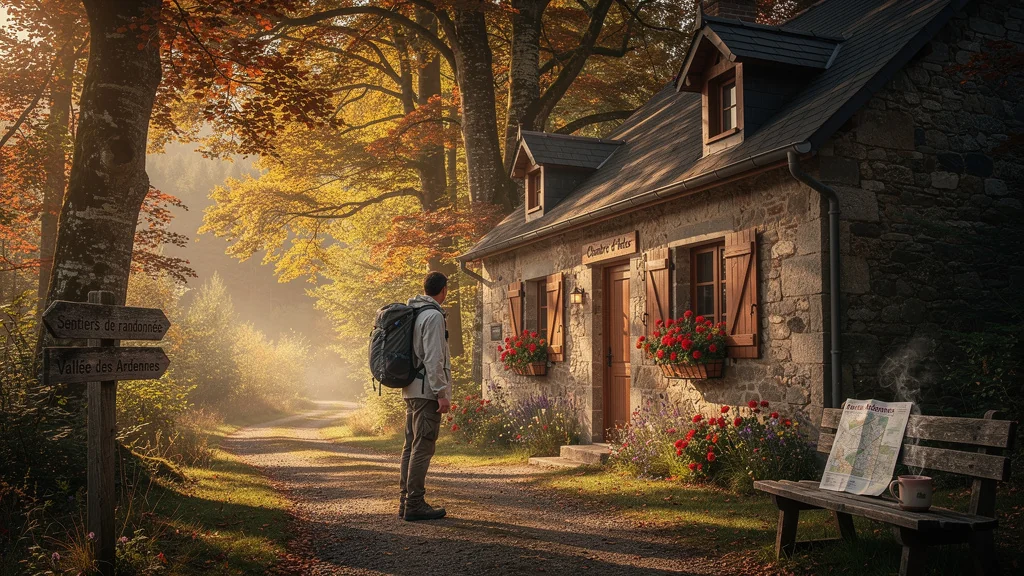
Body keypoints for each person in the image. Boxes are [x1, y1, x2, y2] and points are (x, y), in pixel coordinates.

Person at [399, 271, 452, 521]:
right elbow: (433, 358)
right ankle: (415, 504)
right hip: (426, 392)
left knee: (411, 446)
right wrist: (441, 392)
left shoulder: (416, 313)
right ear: (443, 290)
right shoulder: (433, 316)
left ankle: (405, 501)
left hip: (411, 389)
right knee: (423, 446)